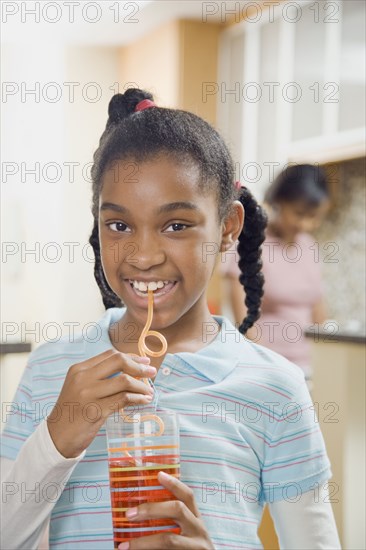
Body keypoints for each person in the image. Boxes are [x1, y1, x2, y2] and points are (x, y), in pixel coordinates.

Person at [1, 89, 340, 550]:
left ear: (228, 228)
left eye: (176, 225)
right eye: (119, 225)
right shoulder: (50, 370)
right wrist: (56, 439)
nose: (143, 256)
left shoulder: (275, 387)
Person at [221, 164, 330, 388]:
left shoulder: (309, 247)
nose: (305, 224)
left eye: (313, 216)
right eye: (299, 214)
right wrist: (269, 369)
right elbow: (244, 321)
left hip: (308, 369)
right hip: (268, 369)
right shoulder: (251, 244)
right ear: (279, 202)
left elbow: (318, 311)